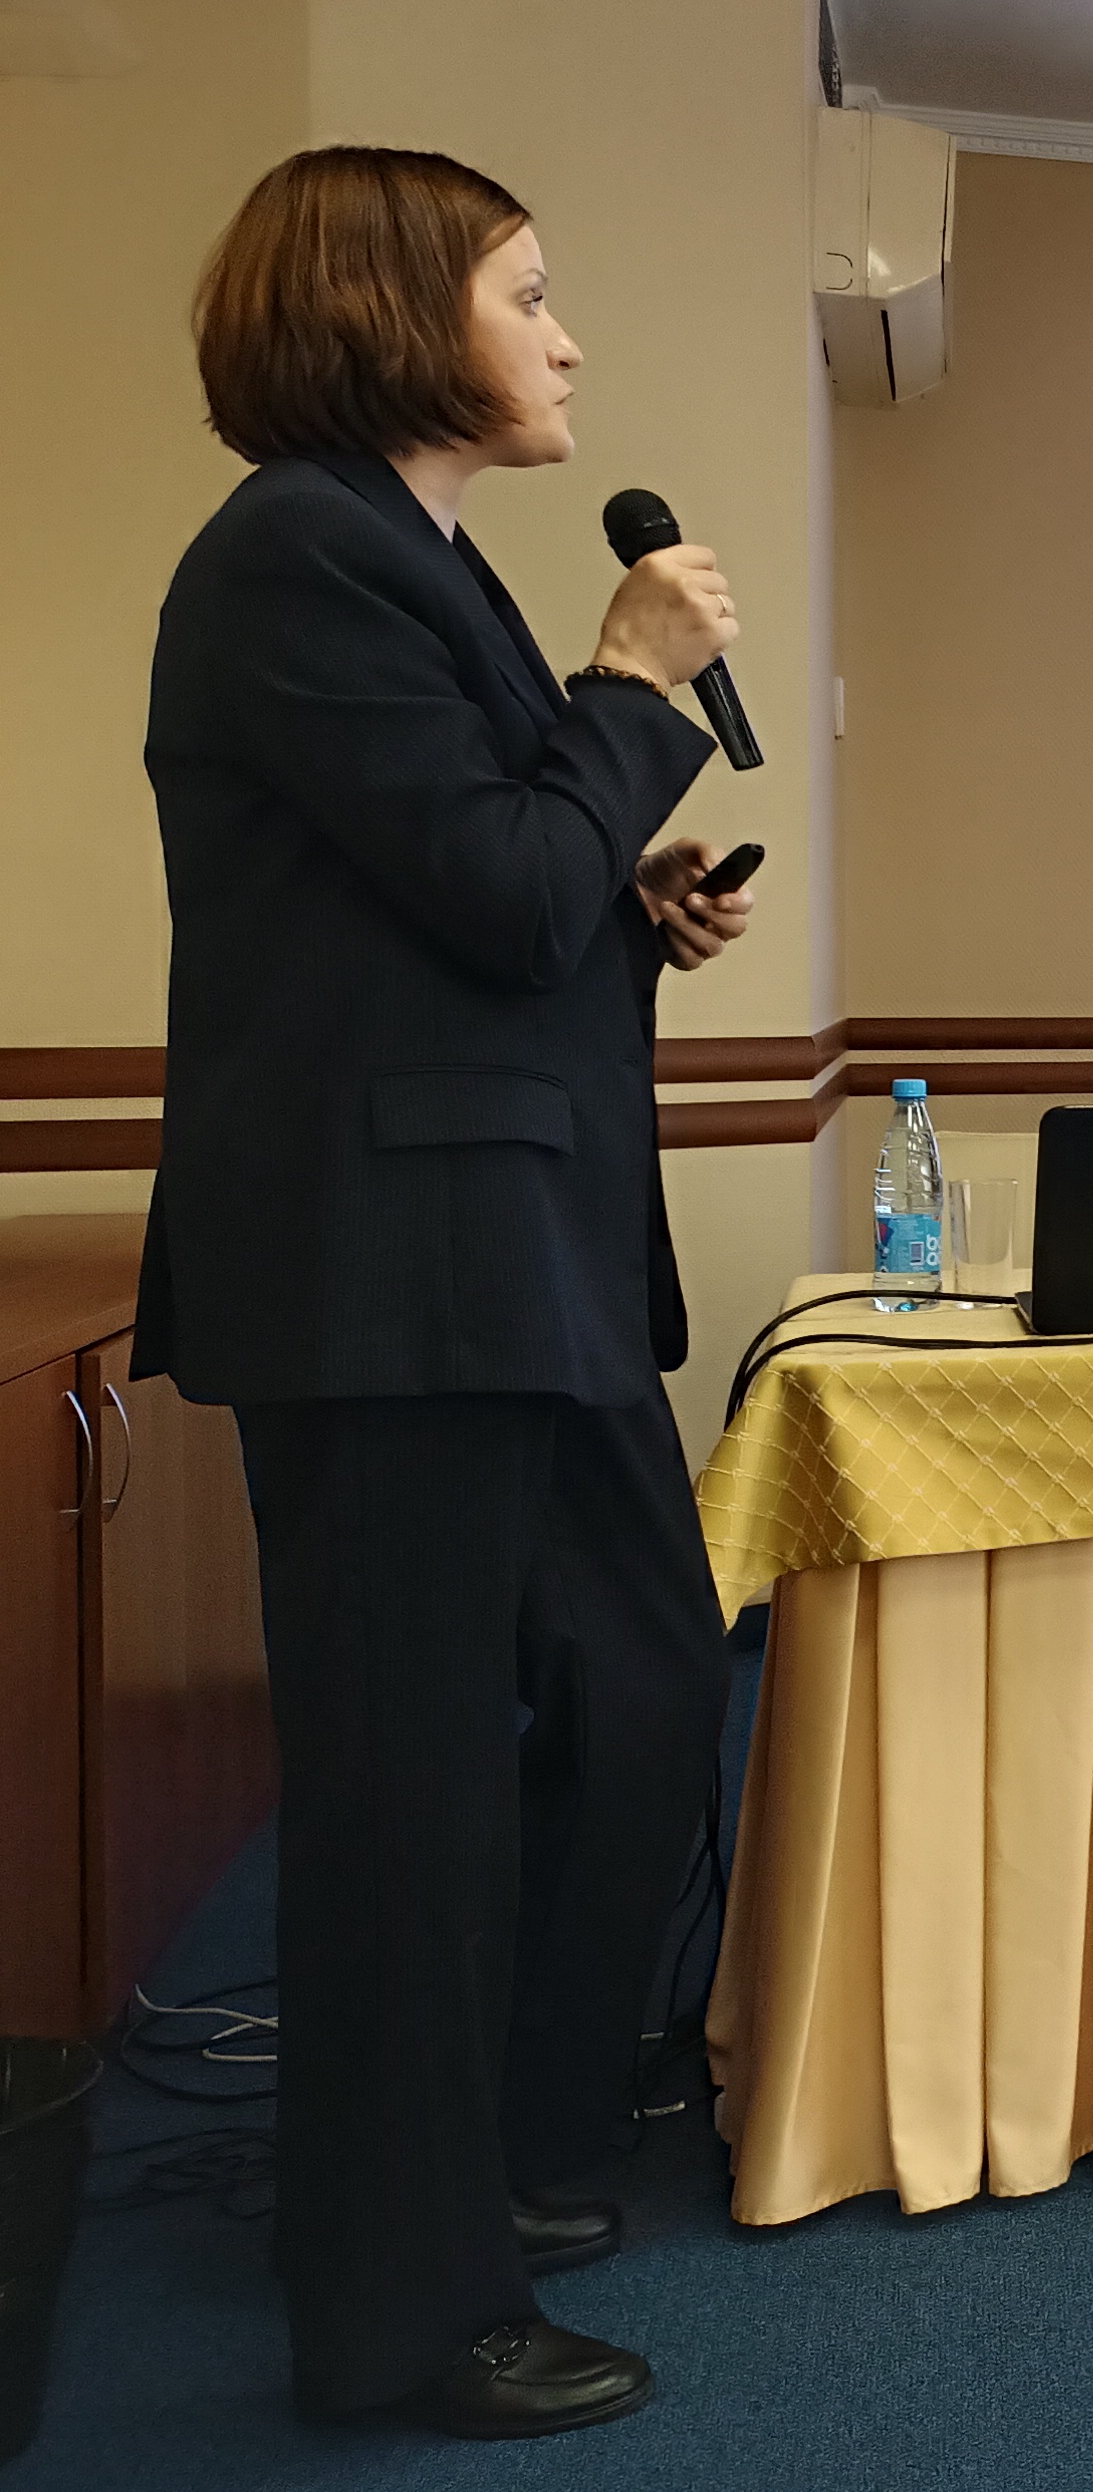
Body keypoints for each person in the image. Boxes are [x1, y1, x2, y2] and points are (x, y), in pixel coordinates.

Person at [137, 146, 749, 2437]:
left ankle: (491, 2149)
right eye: (527, 292)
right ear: (393, 317)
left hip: (513, 1256)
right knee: (411, 1796)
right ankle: (400, 2307)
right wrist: (631, 692)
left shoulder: (423, 566)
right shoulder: (300, 552)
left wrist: (629, 901)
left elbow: (486, 899)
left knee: (650, 1678)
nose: (567, 336)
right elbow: (490, 885)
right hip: (396, 1281)